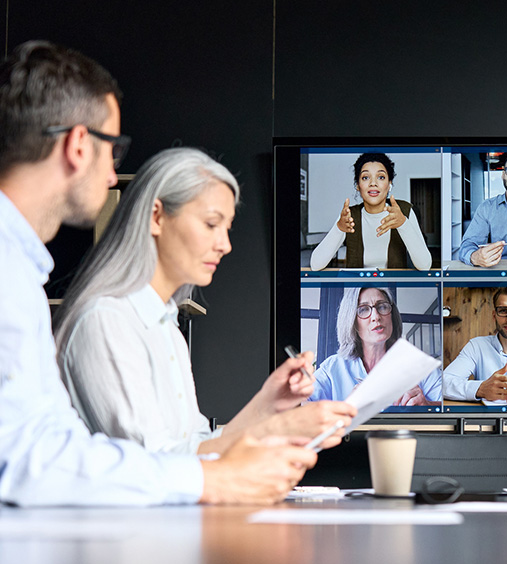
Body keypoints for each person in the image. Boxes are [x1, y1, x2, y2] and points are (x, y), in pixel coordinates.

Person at [0, 40, 322, 506]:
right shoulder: (66, 299)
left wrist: (266, 413)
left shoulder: (27, 272)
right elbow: (32, 457)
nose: (113, 176)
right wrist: (218, 477)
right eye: (113, 150)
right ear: (77, 145)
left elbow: (63, 444)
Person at [54, 147, 356, 454]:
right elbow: (154, 465)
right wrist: (279, 429)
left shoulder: (167, 328)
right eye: (212, 224)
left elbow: (196, 447)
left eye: (227, 228)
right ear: (156, 216)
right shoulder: (106, 320)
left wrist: (269, 403)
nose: (225, 245)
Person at [307, 286, 442, 405]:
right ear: (351, 321)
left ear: (392, 315)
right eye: (363, 309)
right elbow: (299, 405)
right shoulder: (333, 367)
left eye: (382, 306)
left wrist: (427, 405)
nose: (376, 316)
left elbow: (450, 408)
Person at [309, 152, 432, 270]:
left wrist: (403, 224)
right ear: (357, 185)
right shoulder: (349, 215)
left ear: (389, 184)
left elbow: (425, 265)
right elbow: (315, 265)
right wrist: (339, 228)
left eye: (381, 177)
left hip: (395, 289)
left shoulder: (404, 211)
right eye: (366, 177)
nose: (373, 183)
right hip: (358, 290)